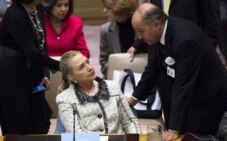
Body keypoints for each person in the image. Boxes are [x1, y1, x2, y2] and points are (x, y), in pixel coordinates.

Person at [126, 3, 227, 141]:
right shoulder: (158, 35)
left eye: (140, 31)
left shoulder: (186, 39)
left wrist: (173, 129)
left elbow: (182, 86)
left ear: (157, 24)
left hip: (213, 101)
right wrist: (134, 98)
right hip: (194, 102)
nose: (139, 37)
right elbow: (152, 70)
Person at [0, 0, 60, 135]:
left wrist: (45, 73)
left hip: (33, 68)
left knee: (38, 121)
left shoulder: (37, 7)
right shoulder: (15, 15)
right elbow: (31, 51)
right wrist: (62, 66)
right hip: (12, 74)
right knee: (20, 125)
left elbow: (42, 42)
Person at [56, 51, 141, 133]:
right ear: (71, 78)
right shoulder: (64, 99)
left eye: (87, 62)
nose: (89, 67)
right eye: (81, 67)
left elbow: (129, 123)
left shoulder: (113, 87)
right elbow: (77, 134)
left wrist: (136, 138)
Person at [99, 0, 147, 79]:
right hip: (117, 80)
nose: (104, 11)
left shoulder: (144, 26)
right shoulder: (105, 30)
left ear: (119, 10)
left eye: (108, 8)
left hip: (143, 77)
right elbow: (103, 61)